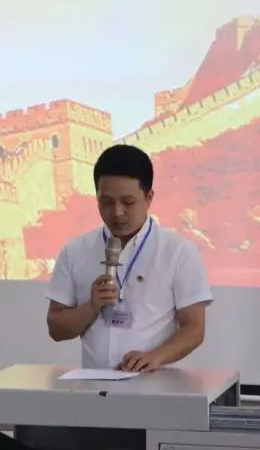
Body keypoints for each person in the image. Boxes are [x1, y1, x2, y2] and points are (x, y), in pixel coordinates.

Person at [46, 144, 211, 372]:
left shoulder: (178, 252)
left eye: (128, 202)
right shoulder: (75, 251)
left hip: (155, 385)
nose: (117, 212)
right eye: (106, 202)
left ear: (149, 198)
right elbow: (56, 329)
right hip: (93, 386)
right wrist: (92, 306)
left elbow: (194, 328)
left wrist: (155, 357)